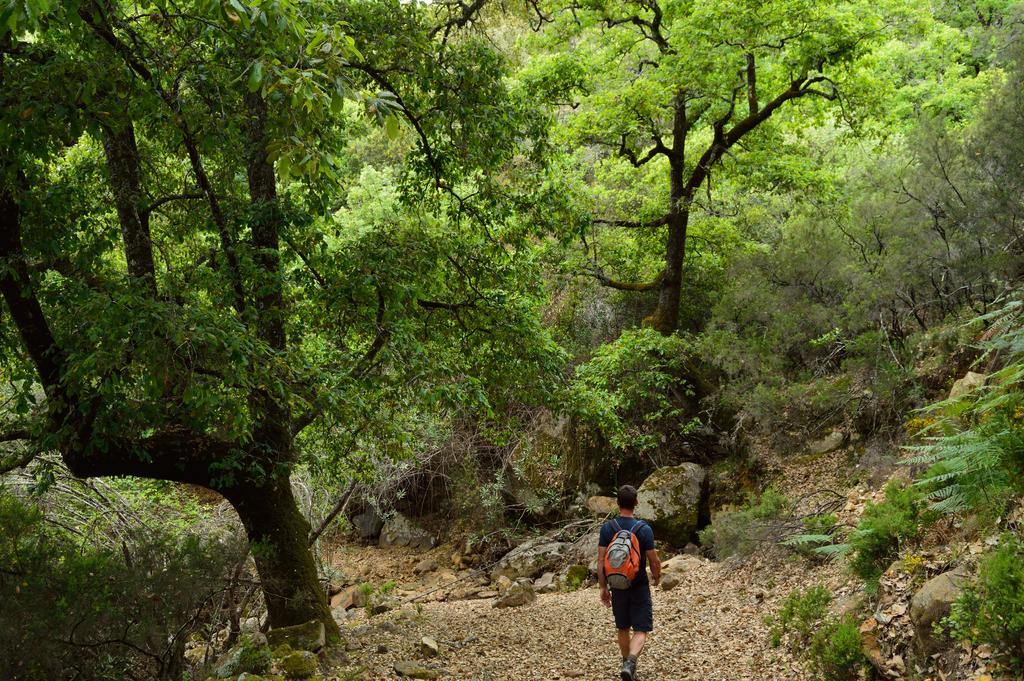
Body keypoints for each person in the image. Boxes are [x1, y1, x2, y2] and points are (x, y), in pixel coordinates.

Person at [598, 484, 661, 681]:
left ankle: (626, 663)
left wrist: (602, 586)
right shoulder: (644, 529)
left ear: (617, 504)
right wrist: (657, 576)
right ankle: (631, 663)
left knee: (623, 627)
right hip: (639, 584)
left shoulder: (608, 528)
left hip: (617, 585)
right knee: (641, 629)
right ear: (636, 503)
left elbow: (600, 560)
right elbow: (653, 560)